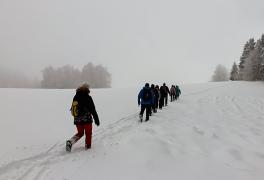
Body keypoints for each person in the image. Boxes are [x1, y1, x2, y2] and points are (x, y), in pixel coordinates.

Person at [66, 83, 100, 152]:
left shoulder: (76, 96)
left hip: (77, 119)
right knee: (88, 133)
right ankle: (88, 147)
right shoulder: (88, 97)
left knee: (80, 133)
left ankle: (70, 141)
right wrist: (96, 119)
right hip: (86, 119)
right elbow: (92, 109)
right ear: (87, 89)